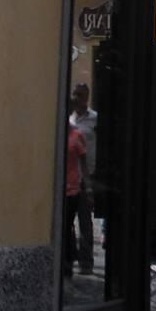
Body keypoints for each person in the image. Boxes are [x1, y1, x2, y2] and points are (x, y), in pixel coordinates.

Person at [68, 83, 98, 275]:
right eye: (74, 94)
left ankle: (86, 262)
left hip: (87, 175)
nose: (76, 98)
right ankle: (70, 259)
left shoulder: (95, 119)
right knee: (69, 221)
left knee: (85, 220)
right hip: (71, 176)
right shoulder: (69, 119)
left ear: (86, 97)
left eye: (80, 95)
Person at [62, 99, 88, 281]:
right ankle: (67, 260)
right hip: (58, 190)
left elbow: (83, 164)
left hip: (72, 190)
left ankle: (68, 263)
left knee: (67, 226)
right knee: (64, 228)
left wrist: (88, 188)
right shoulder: (57, 133)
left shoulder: (76, 135)